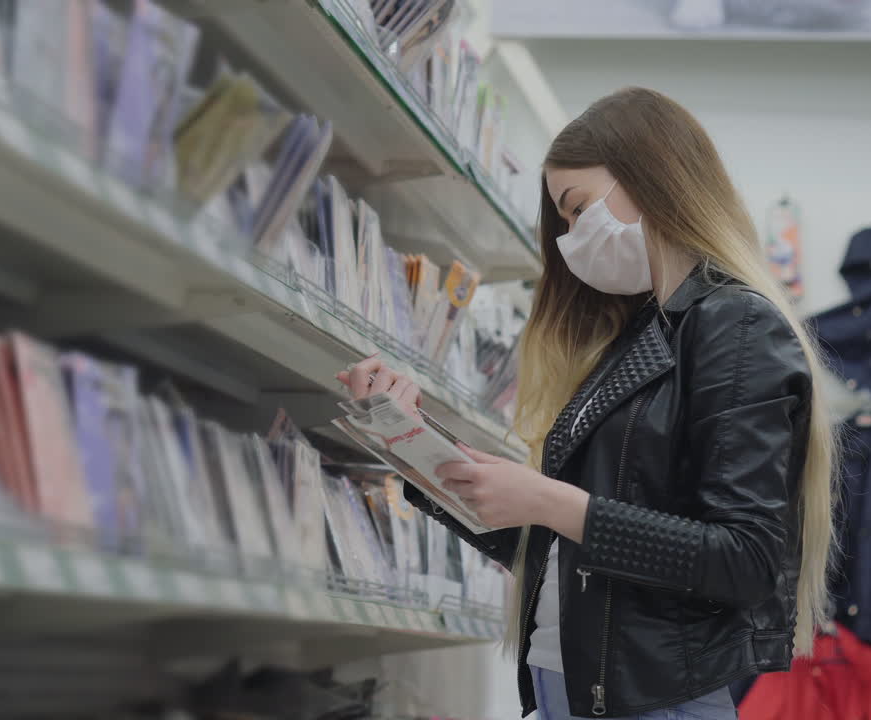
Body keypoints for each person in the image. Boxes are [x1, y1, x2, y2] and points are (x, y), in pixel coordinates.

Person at [336, 87, 837, 720]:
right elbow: (564, 539)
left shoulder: (734, 326)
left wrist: (550, 498)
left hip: (652, 701)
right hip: (570, 687)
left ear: (652, 176)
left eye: (578, 209)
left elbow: (745, 560)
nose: (572, 239)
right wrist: (421, 459)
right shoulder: (636, 340)